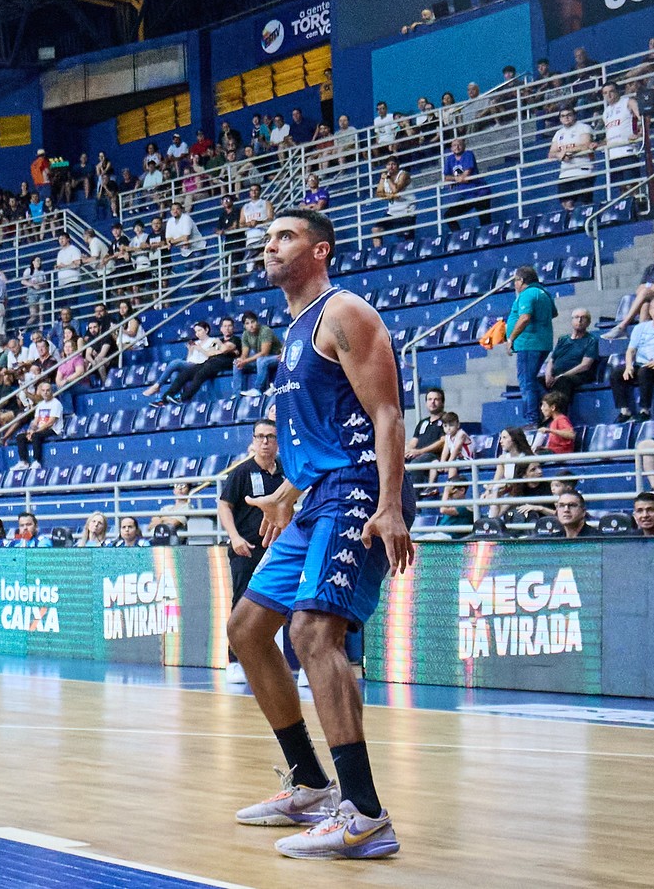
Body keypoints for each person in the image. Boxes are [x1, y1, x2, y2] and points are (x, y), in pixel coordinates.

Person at [227, 207, 414, 860]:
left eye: (284, 236)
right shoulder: (292, 330)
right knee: (246, 630)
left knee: (311, 632)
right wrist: (284, 493)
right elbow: (320, 432)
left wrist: (389, 504)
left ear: (320, 250)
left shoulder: (344, 312)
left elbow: (387, 413)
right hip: (316, 497)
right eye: (266, 238)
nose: (269, 246)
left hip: (358, 489)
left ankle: (363, 813)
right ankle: (308, 783)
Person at [217, 420, 283, 683]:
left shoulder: (285, 472)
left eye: (270, 437)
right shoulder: (242, 472)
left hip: (277, 552)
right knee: (242, 605)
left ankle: (289, 664)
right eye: (260, 436)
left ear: (278, 441)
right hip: (247, 549)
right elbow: (224, 506)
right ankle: (234, 661)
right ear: (253, 440)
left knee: (283, 605)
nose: (265, 442)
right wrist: (235, 538)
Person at [505, 266, 555, 422]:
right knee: (531, 380)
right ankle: (554, 406)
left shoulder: (527, 294)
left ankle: (532, 418)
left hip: (528, 344)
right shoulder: (544, 293)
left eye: (515, 281)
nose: (514, 285)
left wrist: (511, 338)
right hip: (542, 342)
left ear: (521, 280)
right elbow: (553, 313)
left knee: (526, 383)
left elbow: (525, 318)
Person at [613, 294, 654, 421]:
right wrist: (629, 366)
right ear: (650, 311)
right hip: (641, 363)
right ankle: (624, 411)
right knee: (617, 373)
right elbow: (631, 350)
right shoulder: (640, 328)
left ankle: (645, 410)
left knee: (644, 371)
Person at [608, 238, 654, 338]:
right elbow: (639, 289)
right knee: (645, 304)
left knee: (645, 292)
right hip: (652, 299)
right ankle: (642, 338)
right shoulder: (650, 269)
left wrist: (652, 287)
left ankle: (623, 325)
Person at [542, 308, 602, 416]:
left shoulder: (591, 340)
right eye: (576, 317)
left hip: (578, 375)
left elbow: (585, 365)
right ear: (572, 320)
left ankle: (560, 417)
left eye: (583, 318)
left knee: (563, 381)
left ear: (588, 322)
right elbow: (552, 360)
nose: (579, 320)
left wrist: (562, 375)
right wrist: (548, 374)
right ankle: (541, 418)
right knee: (534, 382)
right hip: (557, 374)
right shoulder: (563, 339)